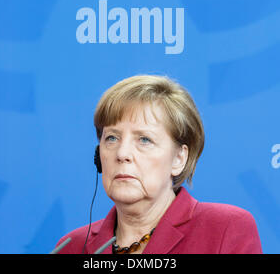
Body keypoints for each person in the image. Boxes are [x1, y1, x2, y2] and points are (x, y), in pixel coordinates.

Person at [55, 74, 262, 254]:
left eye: (144, 139)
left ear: (178, 159)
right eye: (111, 138)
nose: (122, 153)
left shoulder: (225, 229)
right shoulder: (71, 246)